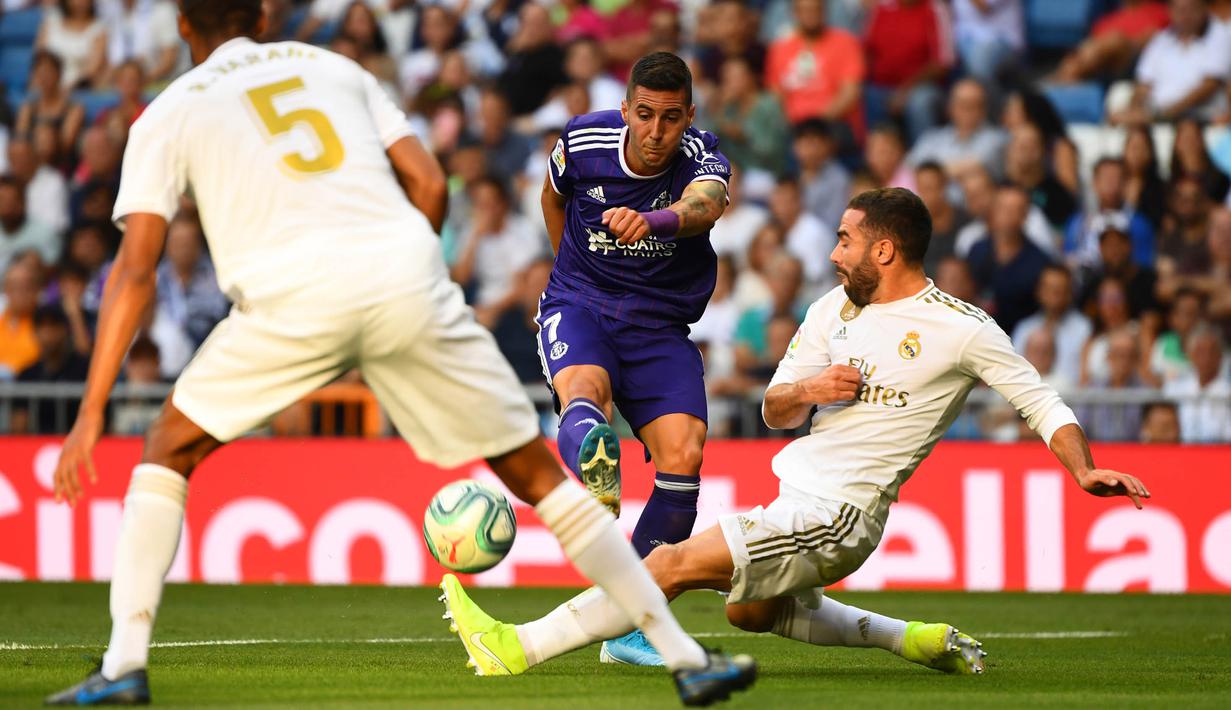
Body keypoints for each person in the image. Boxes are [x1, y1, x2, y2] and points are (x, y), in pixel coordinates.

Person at [45, 6, 753, 705]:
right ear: (263, 16)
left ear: (180, 27)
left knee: (167, 447)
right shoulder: (332, 66)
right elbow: (429, 183)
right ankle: (684, 657)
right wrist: (422, 286)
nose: (656, 130)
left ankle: (123, 666)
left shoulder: (170, 109)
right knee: (538, 474)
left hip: (292, 291)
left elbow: (135, 273)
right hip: (404, 277)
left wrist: (90, 410)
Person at [439, 187, 1150, 677]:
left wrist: (1082, 469)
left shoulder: (961, 328)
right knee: (749, 613)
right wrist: (809, 390)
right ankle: (914, 640)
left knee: (668, 565)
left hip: (841, 513)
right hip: (794, 498)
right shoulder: (828, 312)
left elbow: (1040, 403)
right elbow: (777, 407)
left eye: (846, 240)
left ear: (885, 251)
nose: (834, 252)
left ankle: (516, 647)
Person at [536, 51, 735, 667]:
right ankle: (596, 468)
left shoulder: (705, 156)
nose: (656, 132)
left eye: (670, 119)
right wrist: (566, 276)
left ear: (689, 117)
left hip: (658, 325)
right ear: (625, 110)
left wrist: (651, 220)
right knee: (585, 391)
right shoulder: (582, 140)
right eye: (644, 115)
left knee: (685, 455)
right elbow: (552, 197)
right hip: (582, 304)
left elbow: (704, 208)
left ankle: (630, 629)